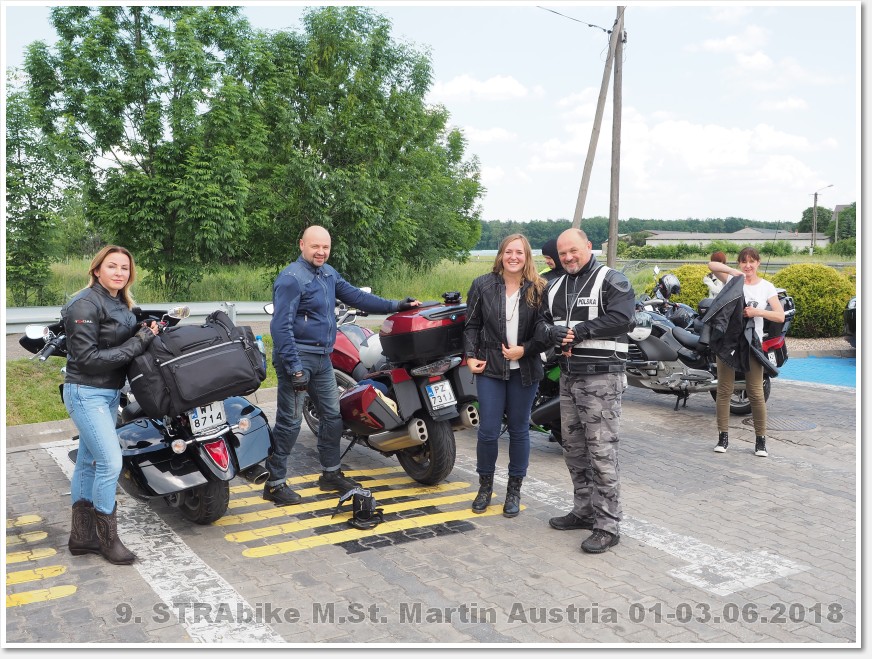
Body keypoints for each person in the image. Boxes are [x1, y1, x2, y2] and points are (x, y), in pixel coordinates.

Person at [266, 225, 420, 504]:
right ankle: (274, 484)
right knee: (290, 422)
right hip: (297, 359)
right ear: (302, 245)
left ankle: (330, 474)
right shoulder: (291, 279)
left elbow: (358, 297)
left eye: (325, 247)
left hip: (322, 359)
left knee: (332, 417)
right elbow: (280, 328)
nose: (321, 252)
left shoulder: (328, 273)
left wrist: (396, 306)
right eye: (315, 246)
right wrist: (295, 367)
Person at [61, 246, 159, 565]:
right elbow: (88, 360)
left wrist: (146, 329)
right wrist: (138, 342)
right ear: (96, 270)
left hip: (109, 393)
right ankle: (107, 540)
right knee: (111, 463)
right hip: (86, 393)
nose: (119, 272)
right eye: (112, 266)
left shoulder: (120, 302)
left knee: (88, 462)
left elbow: (118, 339)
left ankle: (81, 538)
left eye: (124, 268)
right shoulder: (84, 304)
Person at [541, 228, 636, 554]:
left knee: (601, 453)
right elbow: (541, 323)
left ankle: (608, 526)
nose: (568, 257)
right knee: (574, 450)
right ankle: (583, 511)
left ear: (589, 247)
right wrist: (553, 334)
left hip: (602, 379)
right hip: (568, 378)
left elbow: (623, 318)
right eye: (563, 253)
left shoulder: (611, 280)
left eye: (574, 251)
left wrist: (580, 331)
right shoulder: (554, 286)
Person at [463, 234, 550, 518]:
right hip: (490, 367)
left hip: (525, 369)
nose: (514, 257)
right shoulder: (482, 284)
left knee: (519, 430)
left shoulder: (539, 288)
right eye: (509, 252)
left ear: (527, 257)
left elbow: (545, 331)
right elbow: (471, 325)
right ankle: (485, 487)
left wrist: (524, 350)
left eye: (519, 252)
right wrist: (470, 356)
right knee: (488, 430)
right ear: (501, 255)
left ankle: (514, 490)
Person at [706, 247, 784, 457]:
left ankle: (761, 441)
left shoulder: (766, 287)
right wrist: (733, 272)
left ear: (758, 263)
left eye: (752, 261)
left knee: (756, 393)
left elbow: (780, 316)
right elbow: (712, 265)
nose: (748, 266)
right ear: (739, 263)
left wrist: (757, 312)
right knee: (724, 390)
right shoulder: (734, 281)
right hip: (728, 343)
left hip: (751, 344)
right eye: (744, 262)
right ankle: (722, 437)